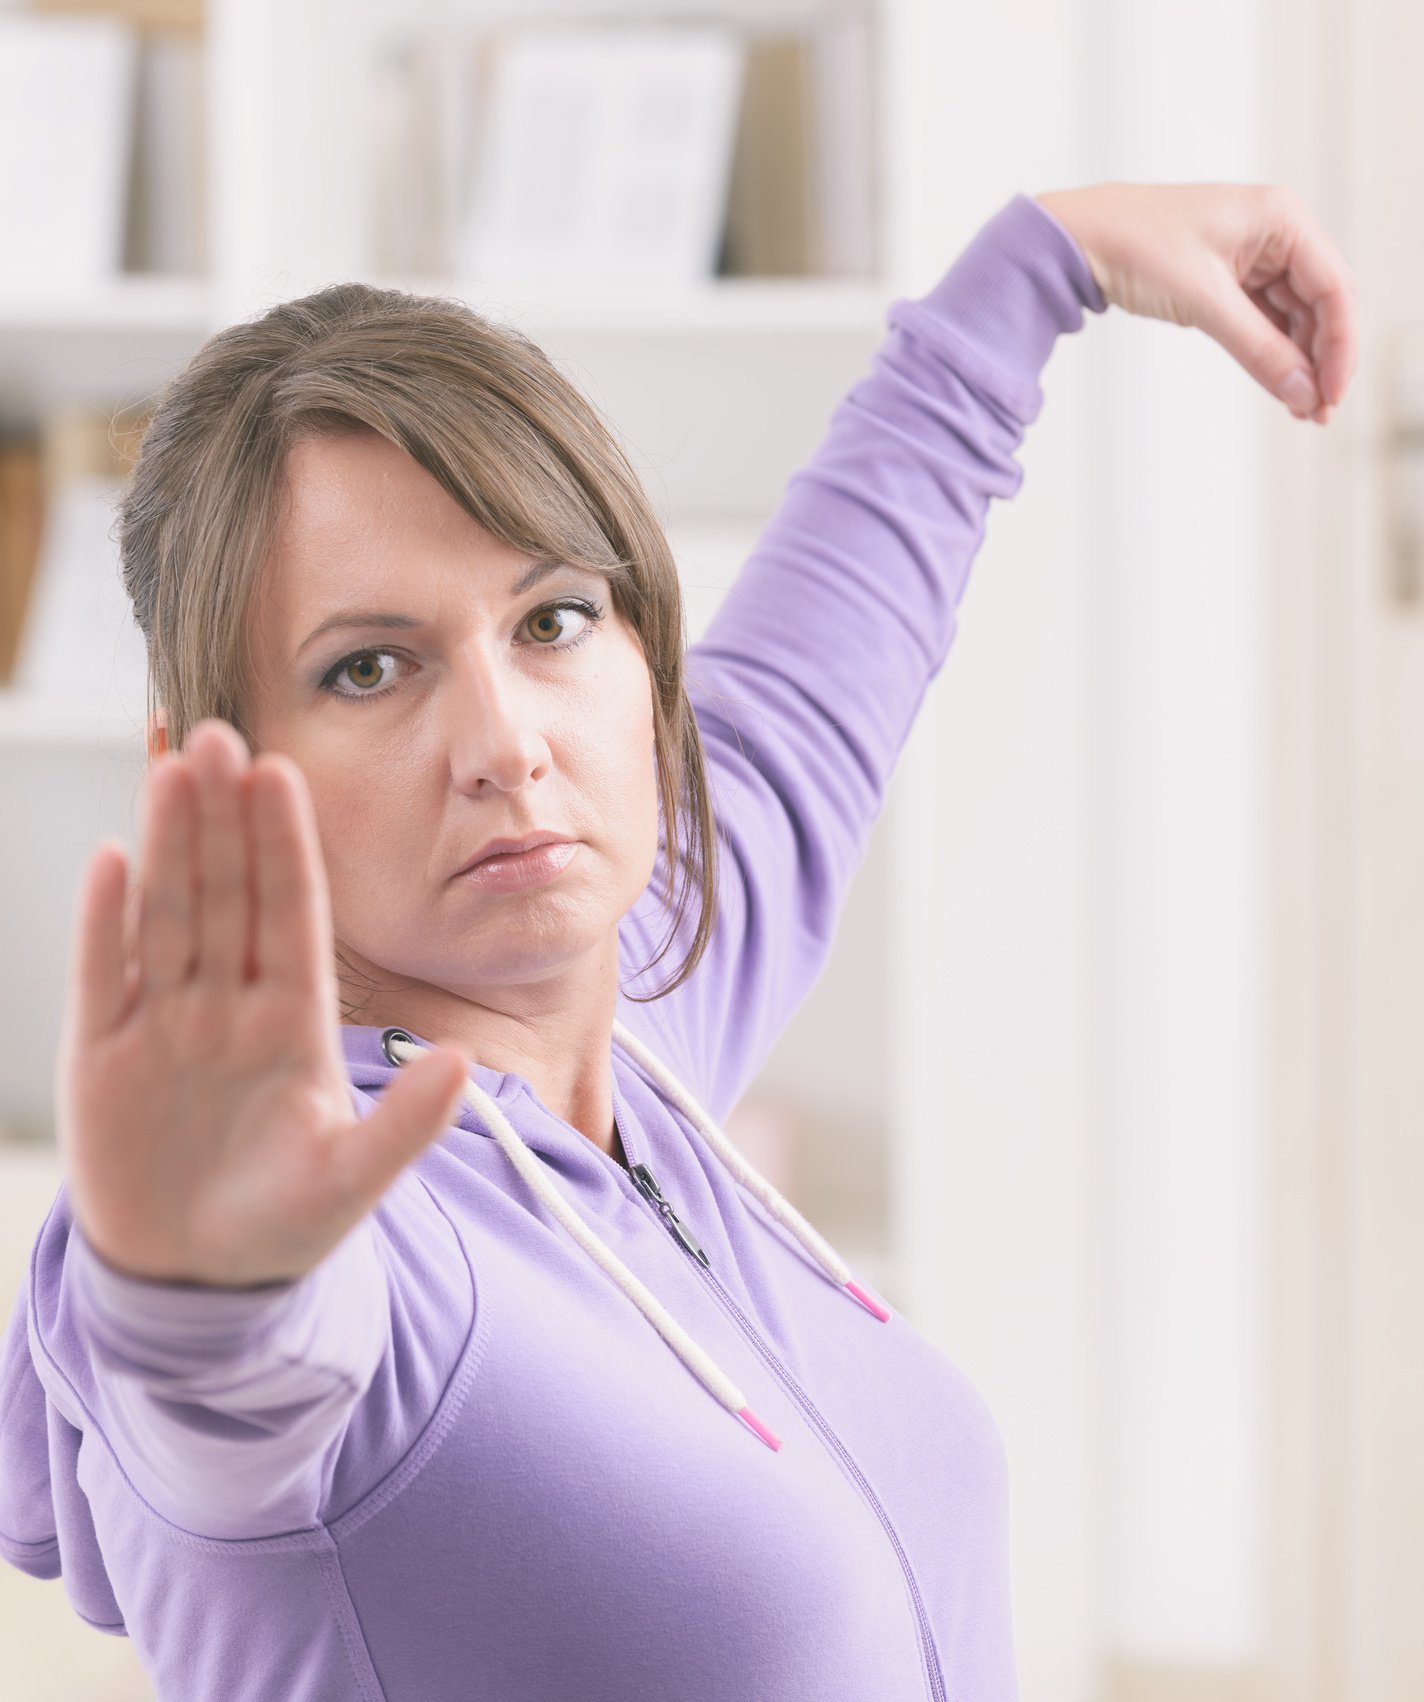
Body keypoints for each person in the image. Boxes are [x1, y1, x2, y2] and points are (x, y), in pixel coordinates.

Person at [0, 183, 1356, 1701]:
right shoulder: (363, 1240)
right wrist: (195, 1273)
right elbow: (225, 1381)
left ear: (644, 658)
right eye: (369, 667)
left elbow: (807, 694)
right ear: (209, 767)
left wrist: (1044, 267)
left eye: (553, 619)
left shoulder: (633, 1023)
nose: (506, 743)